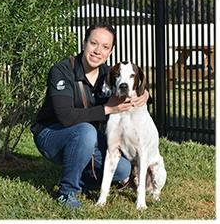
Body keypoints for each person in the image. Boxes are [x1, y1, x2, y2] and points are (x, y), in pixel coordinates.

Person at [31, 22, 149, 209]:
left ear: (110, 52)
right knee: (86, 131)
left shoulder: (109, 74)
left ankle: (81, 182)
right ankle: (67, 191)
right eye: (93, 43)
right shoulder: (62, 71)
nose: (97, 51)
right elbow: (66, 117)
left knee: (122, 169)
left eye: (105, 47)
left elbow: (131, 84)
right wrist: (107, 109)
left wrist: (145, 94)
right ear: (84, 43)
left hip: (87, 139)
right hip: (51, 134)